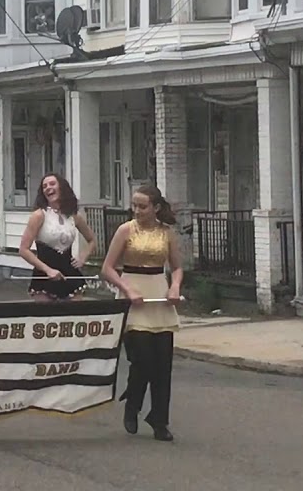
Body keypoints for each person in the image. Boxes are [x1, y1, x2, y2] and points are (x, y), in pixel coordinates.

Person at [100, 185, 182, 442]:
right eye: (134, 205)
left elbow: (177, 268)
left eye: (142, 206)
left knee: (163, 365)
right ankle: (132, 403)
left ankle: (159, 420)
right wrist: (126, 289)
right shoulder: (125, 230)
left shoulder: (166, 233)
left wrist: (175, 287)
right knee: (143, 360)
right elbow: (107, 268)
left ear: (156, 207)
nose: (136, 210)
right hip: (133, 296)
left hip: (158, 296)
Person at [19, 174, 98, 301]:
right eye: (44, 186)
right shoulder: (39, 215)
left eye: (52, 184)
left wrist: (82, 258)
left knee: (75, 312)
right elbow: (23, 250)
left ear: (62, 187)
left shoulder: (74, 216)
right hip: (45, 276)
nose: (48, 188)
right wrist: (48, 270)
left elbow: (92, 240)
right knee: (48, 313)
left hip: (70, 274)